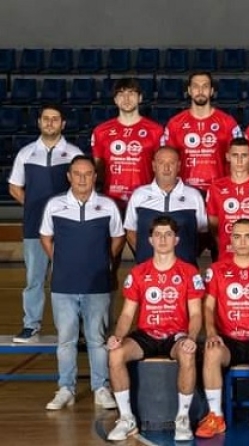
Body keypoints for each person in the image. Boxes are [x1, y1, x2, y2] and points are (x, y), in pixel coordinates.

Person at [107, 216, 204, 442]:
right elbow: (127, 314)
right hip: (146, 335)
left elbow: (196, 313)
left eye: (168, 234)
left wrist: (191, 337)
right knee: (115, 353)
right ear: (150, 240)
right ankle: (127, 418)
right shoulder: (139, 272)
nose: (162, 239)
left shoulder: (189, 272)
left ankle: (182, 418)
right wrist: (117, 336)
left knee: (188, 353)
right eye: (158, 235)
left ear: (176, 240)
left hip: (176, 335)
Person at [39, 156, 125, 410]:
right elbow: (45, 237)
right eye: (77, 174)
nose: (82, 179)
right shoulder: (54, 205)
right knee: (66, 340)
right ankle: (66, 388)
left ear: (95, 176)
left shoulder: (107, 206)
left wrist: (104, 260)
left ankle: (101, 388)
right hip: (63, 286)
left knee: (97, 339)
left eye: (88, 174)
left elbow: (118, 237)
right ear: (69, 176)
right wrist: (60, 260)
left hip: (97, 285)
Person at [195, 219, 249, 438]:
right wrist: (211, 333)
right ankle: (216, 416)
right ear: (230, 241)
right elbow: (208, 307)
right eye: (237, 236)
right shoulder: (216, 270)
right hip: (227, 339)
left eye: (248, 236)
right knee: (211, 351)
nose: (242, 242)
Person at [8, 104, 82, 343]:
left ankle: (74, 328)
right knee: (34, 280)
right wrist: (34, 207)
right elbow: (14, 187)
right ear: (39, 122)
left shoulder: (74, 154)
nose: (50, 122)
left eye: (55, 119)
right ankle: (31, 326)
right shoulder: (26, 153)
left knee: (70, 278)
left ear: (63, 124)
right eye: (46, 118)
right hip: (34, 228)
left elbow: (83, 188)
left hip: (67, 229)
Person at [124, 146, 208, 265]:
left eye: (171, 163)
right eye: (161, 163)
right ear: (154, 166)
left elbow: (203, 233)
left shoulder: (194, 196)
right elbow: (131, 232)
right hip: (147, 270)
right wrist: (145, 256)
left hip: (185, 270)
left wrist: (188, 256)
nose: (166, 168)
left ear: (179, 166)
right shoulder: (139, 195)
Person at [162, 71, 243, 193]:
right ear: (189, 91)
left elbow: (240, 159)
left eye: (205, 86)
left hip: (220, 192)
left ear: (211, 91)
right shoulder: (175, 124)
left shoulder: (228, 123)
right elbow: (166, 160)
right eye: (196, 86)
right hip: (185, 193)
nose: (200, 91)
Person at [92, 78, 165, 209]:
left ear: (140, 98)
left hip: (146, 199)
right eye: (121, 94)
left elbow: (161, 167)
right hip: (111, 200)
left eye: (131, 93)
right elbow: (99, 168)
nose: (126, 98)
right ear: (115, 100)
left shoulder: (156, 130)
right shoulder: (101, 131)